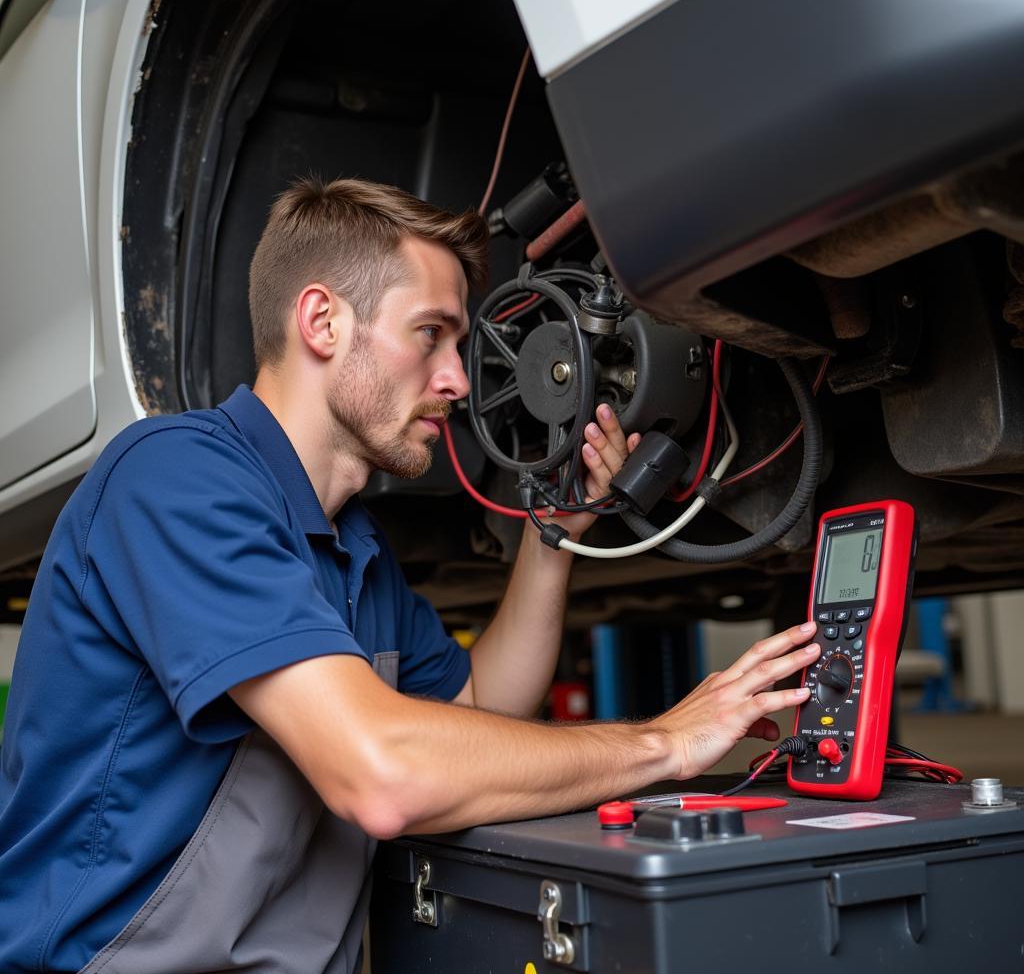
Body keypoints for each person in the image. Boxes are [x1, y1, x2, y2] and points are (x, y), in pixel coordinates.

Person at [0, 177, 818, 974]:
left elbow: (482, 712)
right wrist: (664, 743)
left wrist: (553, 535)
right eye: (431, 333)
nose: (460, 381)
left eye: (460, 345)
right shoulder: (174, 478)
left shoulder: (353, 547)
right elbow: (384, 777)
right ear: (322, 321)